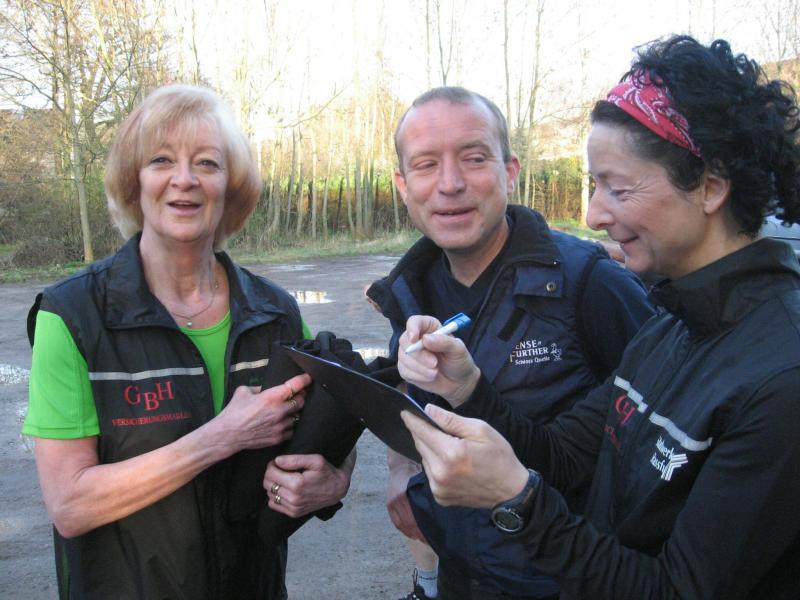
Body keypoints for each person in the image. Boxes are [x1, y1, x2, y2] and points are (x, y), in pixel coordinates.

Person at [399, 35, 800, 599]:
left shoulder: (781, 378)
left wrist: (519, 502)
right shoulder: (670, 326)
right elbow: (563, 456)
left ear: (709, 187)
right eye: (594, 185)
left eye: (617, 187)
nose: (592, 214)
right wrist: (467, 389)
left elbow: (677, 590)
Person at [22, 84, 354, 599]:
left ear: (230, 187)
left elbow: (330, 427)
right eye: (161, 160)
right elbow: (70, 505)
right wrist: (221, 438)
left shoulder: (276, 315)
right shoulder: (73, 317)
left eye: (207, 163)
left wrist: (333, 481)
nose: (184, 179)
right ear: (134, 182)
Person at [365, 86, 655, 600]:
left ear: (510, 171)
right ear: (403, 185)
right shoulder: (408, 293)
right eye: (426, 165)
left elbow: (664, 435)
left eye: (474, 158)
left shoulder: (590, 284)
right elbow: (407, 396)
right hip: (460, 579)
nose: (450, 184)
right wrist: (401, 468)